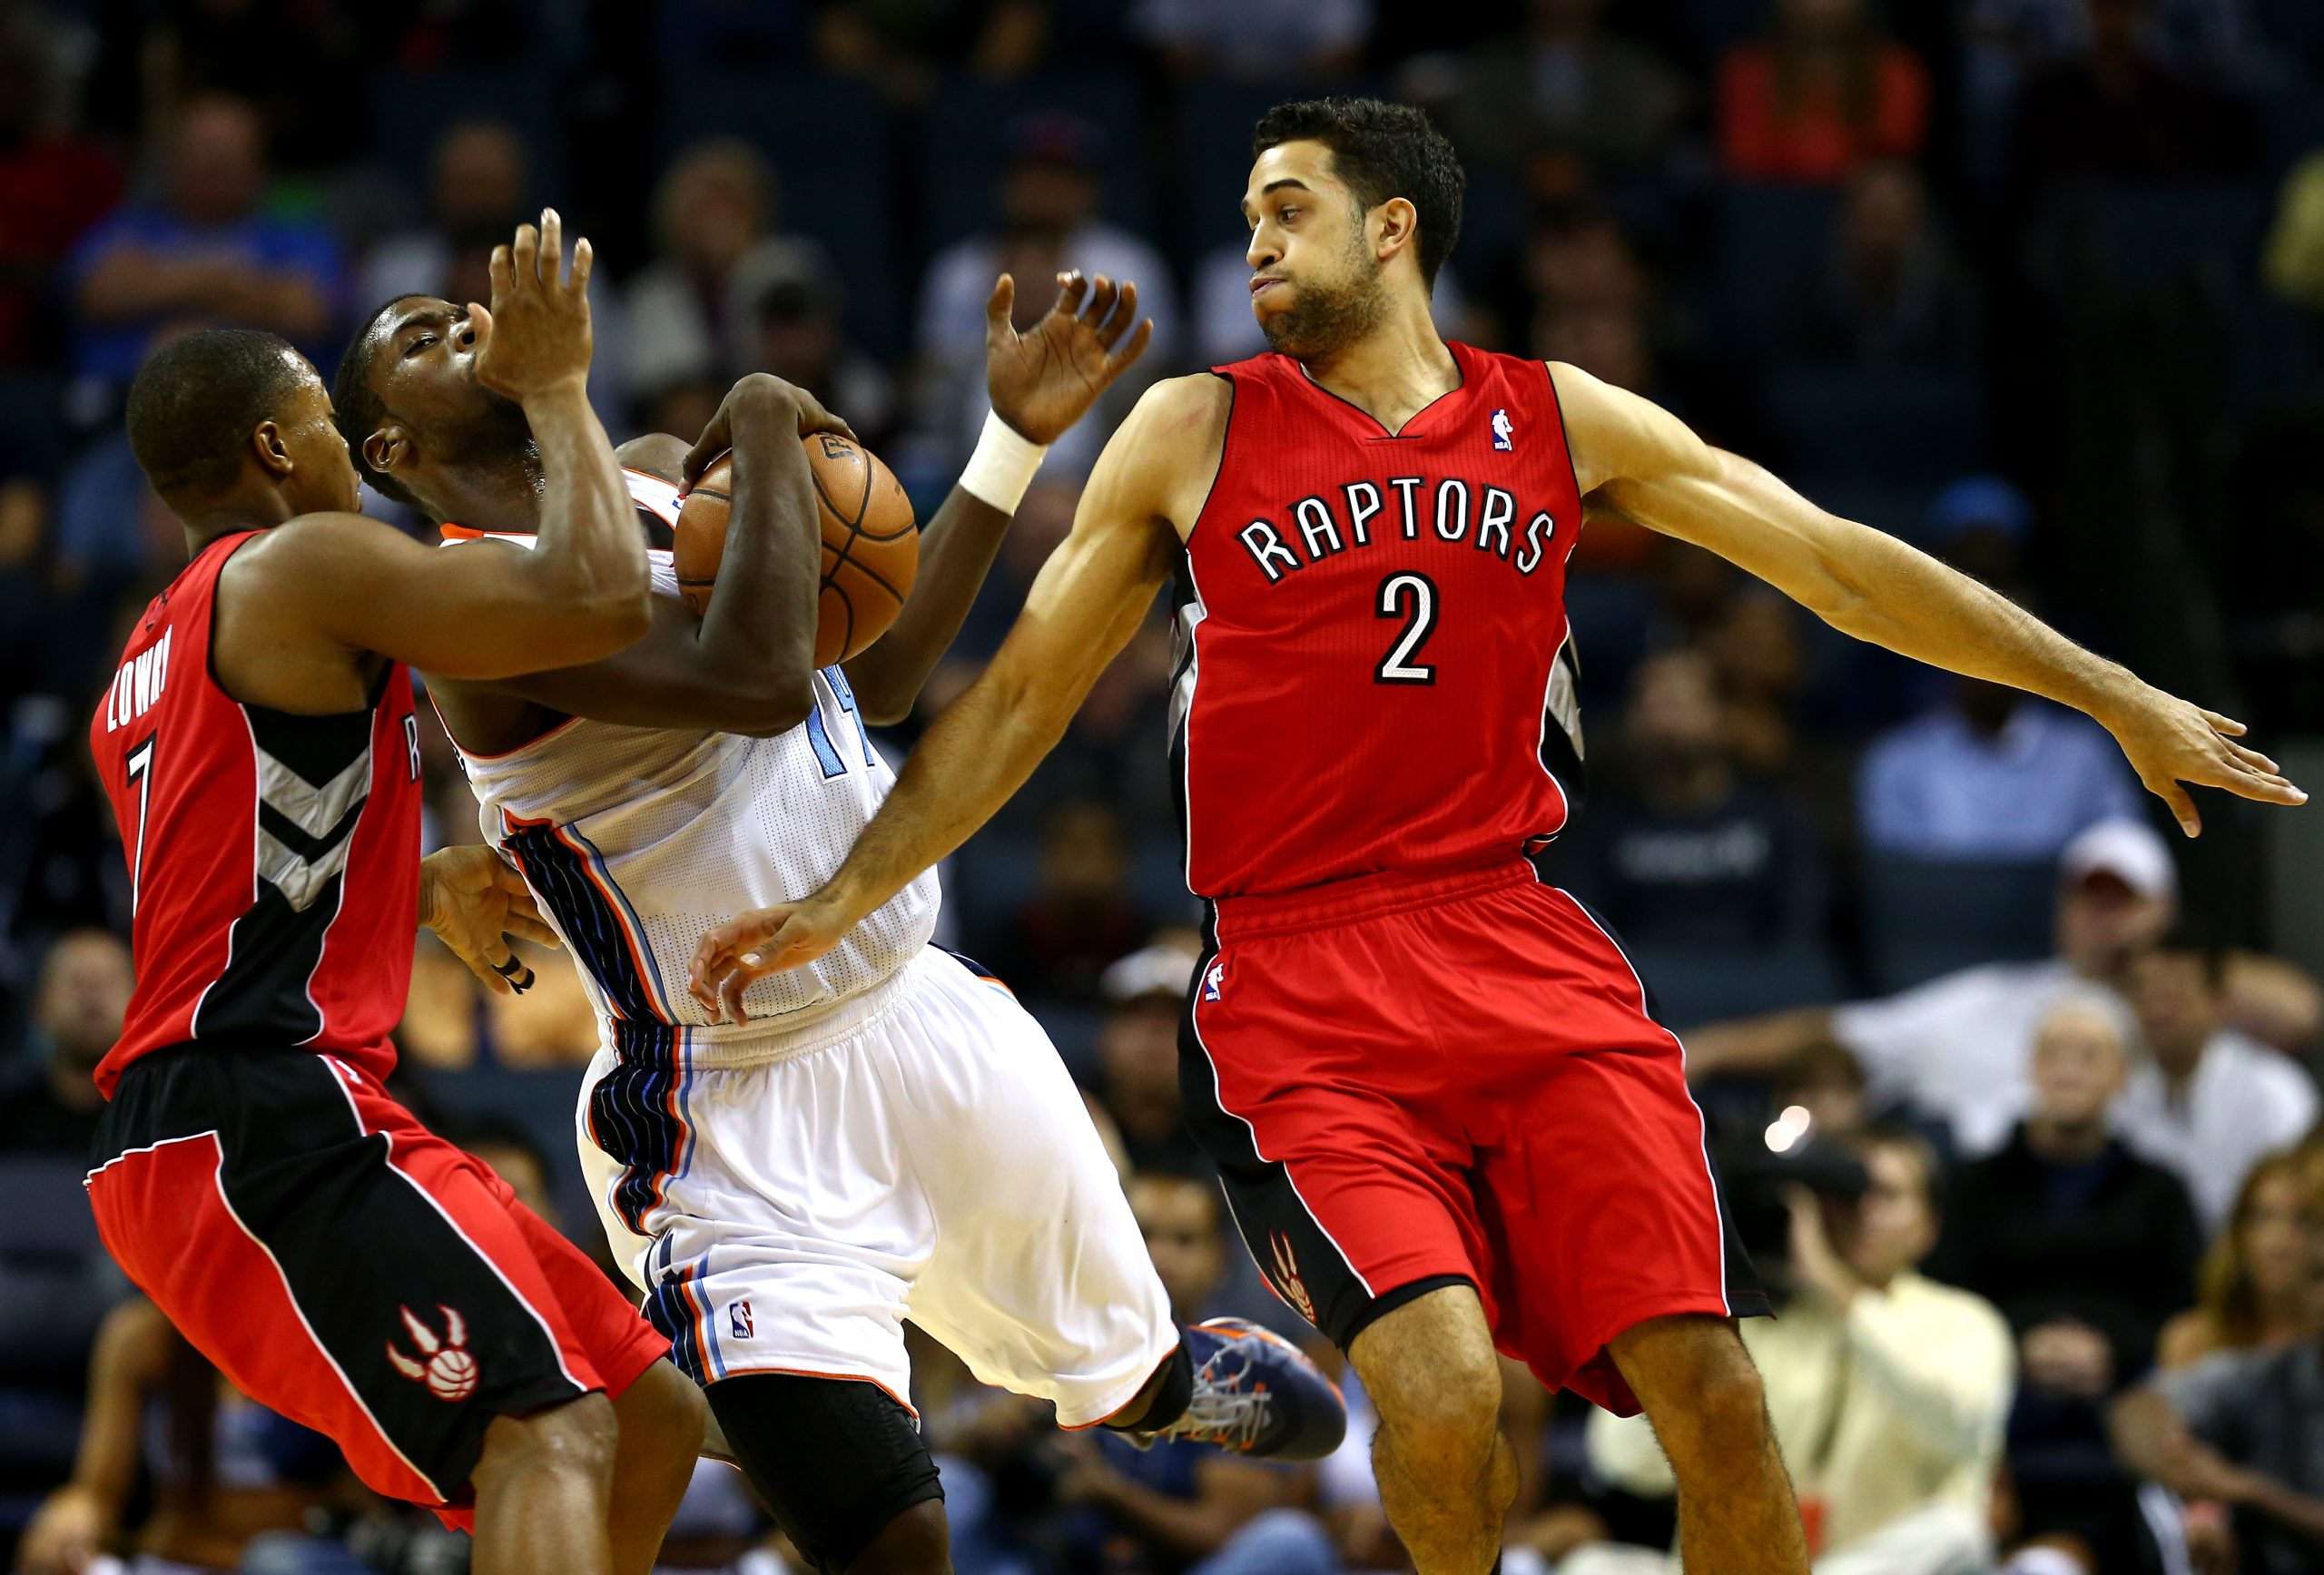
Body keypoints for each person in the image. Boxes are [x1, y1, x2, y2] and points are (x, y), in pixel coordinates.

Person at [690, 95, 2305, 1575]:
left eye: (1289, 209)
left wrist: (2110, 694)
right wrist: (853, 889)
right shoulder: (1194, 427)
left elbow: (1838, 563)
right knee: (1445, 1389)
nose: (1251, 240)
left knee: (1723, 1400)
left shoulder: (1556, 415)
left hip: (1517, 945)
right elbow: (1024, 698)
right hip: (1300, 981)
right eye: (1247, 210)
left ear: (1394, 230)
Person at [333, 266, 1343, 1575]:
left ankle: (1160, 1389)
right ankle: (714, 1375)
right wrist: (758, 413)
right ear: (391, 450)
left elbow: (879, 669)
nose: (465, 318)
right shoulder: (471, 610)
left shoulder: (649, 473)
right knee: (892, 1537)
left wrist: (1013, 437)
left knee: (1125, 1360)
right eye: (422, 337)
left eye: (459, 307)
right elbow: (753, 682)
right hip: (726, 1107)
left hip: (920, 1012)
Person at [83, 212, 704, 1573]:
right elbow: (598, 597)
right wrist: (555, 384)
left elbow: (232, 879)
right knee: (543, 1430)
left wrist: (416, 882)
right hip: (256, 1112)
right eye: (319, 414)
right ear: (274, 448)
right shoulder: (305, 561)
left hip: (250, 1104)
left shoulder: (146, 651)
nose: (338, 452)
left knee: (649, 1410)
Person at [1573, 1130, 2014, 1575]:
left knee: (1957, 1534)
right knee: (1593, 1566)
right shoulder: (1756, 1322)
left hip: (1875, 1565)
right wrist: (1689, 1296)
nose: (1861, 1212)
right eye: (1845, 1194)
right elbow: (1621, 1461)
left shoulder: (1964, 1321)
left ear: (1929, 1225)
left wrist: (1839, 1290)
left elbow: (1955, 1427)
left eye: (1885, 1195)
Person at [1689, 819, 2171, 1154]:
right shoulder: (1991, 999)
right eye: (2091, 899)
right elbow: (1843, 1033)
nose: (2104, 921)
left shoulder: (2190, 1013)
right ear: (2062, 907)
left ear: (2164, 912)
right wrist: (1707, 1051)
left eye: (2123, 903)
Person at [1049, 1170, 1337, 1575]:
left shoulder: (1238, 1370)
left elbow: (1224, 1530)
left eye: (1185, 1240)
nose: (1161, 1255)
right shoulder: (1063, 1338)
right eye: (1144, 1234)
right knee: (959, 1486)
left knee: (1290, 1541)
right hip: (1065, 1559)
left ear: (1219, 1259)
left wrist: (1108, 1491)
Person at [1933, 991, 2202, 1394]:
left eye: (2089, 1056)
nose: (2067, 1072)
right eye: (2051, 1054)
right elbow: (1943, 1297)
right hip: (1992, 1387)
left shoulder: (2161, 1192)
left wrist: (2113, 1349)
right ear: (2030, 1067)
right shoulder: (1970, 1186)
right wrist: (2016, 1345)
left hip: (2130, 1388)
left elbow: (2183, 1306)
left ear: (2123, 1074)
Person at [914, 113, 1176, 478]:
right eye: (1031, 175)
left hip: (1100, 444)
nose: (1045, 188)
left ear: (1090, 189)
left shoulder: (1128, 264)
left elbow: (1154, 376)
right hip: (973, 450)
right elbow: (932, 387)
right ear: (1005, 185)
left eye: (1061, 177)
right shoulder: (960, 270)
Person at [17, 1295, 352, 1575]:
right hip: (176, 1559)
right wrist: (72, 1516)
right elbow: (98, 1492)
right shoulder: (144, 1336)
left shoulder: (333, 1339)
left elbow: (362, 1506)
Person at [68, 93, 340, 397]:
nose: (213, 163)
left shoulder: (296, 237)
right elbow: (99, 294)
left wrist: (173, 298)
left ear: (260, 165)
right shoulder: (127, 228)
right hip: (121, 408)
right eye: (201, 150)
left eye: (229, 153)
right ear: (170, 159)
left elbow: (306, 312)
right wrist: (236, 285)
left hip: (265, 413)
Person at [2110, 1230, 2324, 1575]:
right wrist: (2194, 1483)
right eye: (2317, 1277)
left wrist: (2248, 1492)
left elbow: (2241, 1488)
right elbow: (2139, 1408)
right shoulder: (2274, 1369)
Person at [2116, 924, 2319, 1233]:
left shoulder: (2275, 1091)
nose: (2158, 1008)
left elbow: (2303, 1209)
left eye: (2175, 992)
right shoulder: (2118, 1095)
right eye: (2145, 991)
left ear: (2218, 1001)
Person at [1717, 0, 1929, 183]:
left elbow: (1894, 150)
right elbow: (1744, 156)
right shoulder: (1747, 70)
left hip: (1862, 206)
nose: (1819, 6)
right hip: (1770, 203)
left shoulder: (1895, 70)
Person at [2158, 1153, 2321, 1368]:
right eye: (2262, 1217)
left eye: (2301, 1220)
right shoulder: (2192, 1342)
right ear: (2239, 1233)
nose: (2279, 1242)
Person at [0, 928, 133, 1156]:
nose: (92, 995)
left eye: (108, 982)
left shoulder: (161, 1118)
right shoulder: (6, 1118)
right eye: (76, 982)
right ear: (39, 1006)